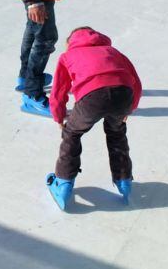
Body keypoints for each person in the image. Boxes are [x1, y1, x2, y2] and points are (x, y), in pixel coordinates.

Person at [46, 26, 142, 210]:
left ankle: (64, 182)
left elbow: (58, 90)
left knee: (72, 133)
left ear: (70, 43)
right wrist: (129, 109)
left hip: (92, 97)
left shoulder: (67, 56)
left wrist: (58, 116)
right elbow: (135, 80)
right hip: (124, 94)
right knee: (116, 132)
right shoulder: (112, 51)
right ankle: (124, 180)